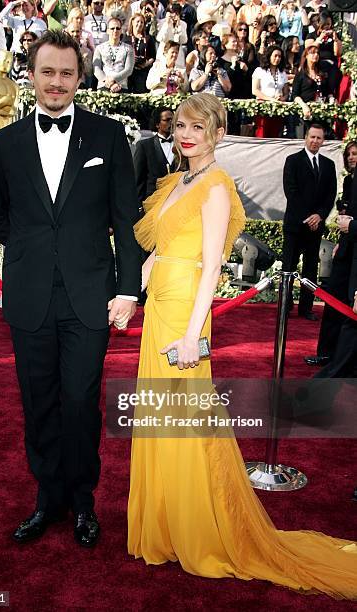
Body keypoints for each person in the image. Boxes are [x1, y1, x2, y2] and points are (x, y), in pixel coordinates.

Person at [127, 92, 357, 598]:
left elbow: (211, 265)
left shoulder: (214, 186)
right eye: (182, 125)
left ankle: (195, 529)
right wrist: (128, 296)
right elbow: (161, 251)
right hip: (160, 308)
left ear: (216, 134)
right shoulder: (176, 180)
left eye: (199, 128)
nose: (187, 135)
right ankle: (165, 524)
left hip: (186, 313)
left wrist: (193, 333)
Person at [0, 30, 141, 548]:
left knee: (79, 402)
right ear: (31, 75)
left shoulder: (108, 135)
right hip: (30, 296)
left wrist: (128, 289)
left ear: (79, 77)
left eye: (67, 73)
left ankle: (83, 502)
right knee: (38, 403)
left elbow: (125, 218)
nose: (57, 83)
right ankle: (47, 499)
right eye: (47, 72)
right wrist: (34, 248)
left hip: (89, 297)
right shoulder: (3, 143)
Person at [305, 140, 357, 366]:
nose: (352, 157)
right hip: (347, 246)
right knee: (334, 299)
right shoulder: (348, 180)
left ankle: (342, 359)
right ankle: (327, 353)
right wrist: (341, 240)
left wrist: (351, 226)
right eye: (349, 154)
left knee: (349, 303)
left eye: (356, 153)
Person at [282, 123, 337, 320]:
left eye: (319, 138)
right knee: (288, 266)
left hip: (316, 227)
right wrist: (308, 217)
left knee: (310, 268)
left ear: (323, 141)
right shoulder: (293, 161)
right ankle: (285, 306)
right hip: (295, 224)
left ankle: (306, 308)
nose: (315, 141)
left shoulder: (329, 165)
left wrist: (319, 215)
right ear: (306, 137)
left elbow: (330, 195)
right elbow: (291, 192)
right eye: (312, 137)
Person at [133, 106, 175, 204]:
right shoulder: (144, 145)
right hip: (152, 202)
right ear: (157, 124)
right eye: (167, 120)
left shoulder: (181, 144)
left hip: (177, 201)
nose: (172, 123)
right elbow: (138, 178)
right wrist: (138, 205)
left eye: (173, 119)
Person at [93, 17, 134, 92]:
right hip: (104, 85)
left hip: (122, 86)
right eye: (112, 28)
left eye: (118, 28)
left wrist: (114, 79)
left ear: (121, 30)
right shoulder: (99, 48)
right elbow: (96, 69)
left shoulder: (128, 48)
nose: (115, 31)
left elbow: (128, 70)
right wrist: (109, 83)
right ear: (107, 31)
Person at [124, 12, 155, 93]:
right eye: (137, 21)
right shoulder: (125, 38)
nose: (139, 24)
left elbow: (153, 56)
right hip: (128, 71)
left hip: (143, 72)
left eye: (142, 22)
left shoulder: (148, 38)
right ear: (132, 22)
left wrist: (146, 64)